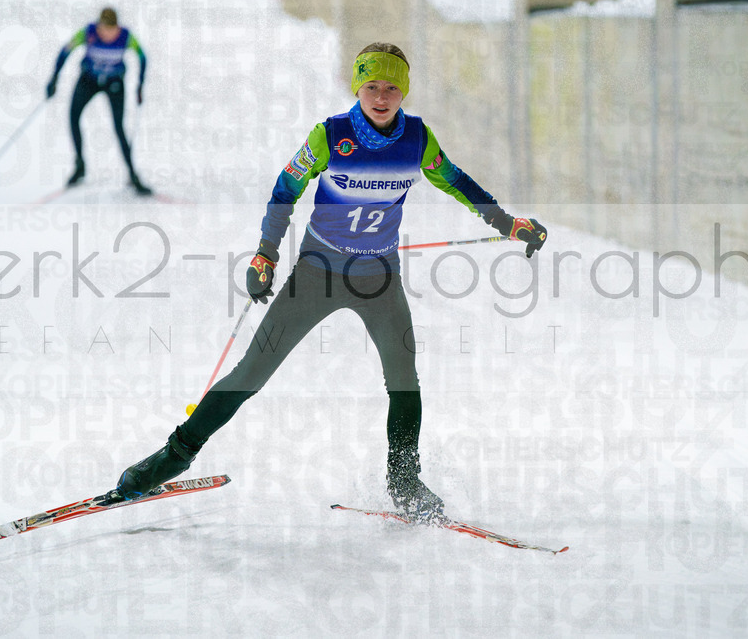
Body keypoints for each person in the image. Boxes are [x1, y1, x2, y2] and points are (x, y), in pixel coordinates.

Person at [112, 43, 547, 519]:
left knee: (404, 381)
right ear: (357, 86)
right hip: (317, 274)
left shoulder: (418, 140)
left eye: (392, 87)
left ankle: (404, 481)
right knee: (251, 374)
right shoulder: (330, 136)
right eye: (371, 86)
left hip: (379, 279)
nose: (381, 95)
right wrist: (265, 254)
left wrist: (505, 223)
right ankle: (169, 458)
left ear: (404, 91)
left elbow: (457, 181)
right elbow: (285, 191)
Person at [46, 7, 151, 195]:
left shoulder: (126, 37)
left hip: (114, 82)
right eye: (103, 29)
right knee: (73, 117)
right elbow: (65, 51)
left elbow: (142, 57)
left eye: (110, 30)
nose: (106, 34)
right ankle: (80, 166)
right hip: (89, 80)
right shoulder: (88, 33)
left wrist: (140, 85)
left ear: (117, 27)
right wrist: (54, 79)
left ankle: (133, 174)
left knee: (119, 127)